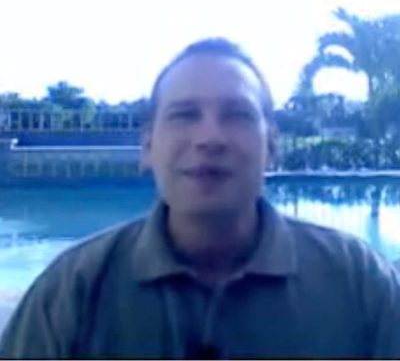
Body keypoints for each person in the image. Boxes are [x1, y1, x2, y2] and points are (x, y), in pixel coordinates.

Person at [1, 37, 400, 360]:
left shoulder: (360, 284)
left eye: (237, 115)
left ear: (272, 146)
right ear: (147, 146)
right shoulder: (72, 291)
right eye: (185, 115)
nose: (210, 138)